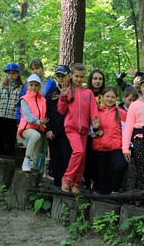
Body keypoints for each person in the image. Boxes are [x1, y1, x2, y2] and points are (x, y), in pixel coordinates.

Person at [58, 63, 99, 193]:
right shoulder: (68, 91)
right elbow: (61, 110)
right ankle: (67, 178)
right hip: (71, 127)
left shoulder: (88, 93)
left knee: (82, 159)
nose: (79, 79)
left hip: (84, 129)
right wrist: (63, 97)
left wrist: (95, 122)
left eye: (81, 77)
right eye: (76, 76)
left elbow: (94, 110)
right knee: (79, 152)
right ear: (71, 75)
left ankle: (75, 183)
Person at [19, 59, 57, 171]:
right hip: (29, 124)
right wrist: (19, 121)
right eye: (32, 69)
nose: (35, 71)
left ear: (43, 69)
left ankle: (37, 173)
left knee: (41, 150)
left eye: (37, 68)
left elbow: (50, 107)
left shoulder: (49, 86)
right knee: (32, 143)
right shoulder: (25, 94)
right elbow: (24, 110)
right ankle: (27, 164)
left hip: (42, 124)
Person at [92, 87, 128, 194]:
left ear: (116, 99)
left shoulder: (121, 113)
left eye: (112, 97)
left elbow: (126, 130)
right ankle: (104, 192)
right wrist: (95, 128)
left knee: (120, 166)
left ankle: (115, 190)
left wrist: (126, 146)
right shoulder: (96, 112)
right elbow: (91, 132)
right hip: (100, 146)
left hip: (116, 147)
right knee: (102, 172)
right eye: (107, 96)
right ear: (102, 97)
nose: (110, 99)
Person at [45, 65, 73, 187]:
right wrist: (48, 128)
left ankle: (66, 184)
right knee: (55, 159)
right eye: (59, 76)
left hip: (68, 132)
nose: (61, 79)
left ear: (69, 76)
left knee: (67, 158)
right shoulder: (51, 93)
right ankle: (57, 184)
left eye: (63, 76)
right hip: (54, 132)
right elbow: (46, 112)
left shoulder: (74, 92)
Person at [18, 74, 48, 172]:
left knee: (37, 153)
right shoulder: (24, 99)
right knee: (35, 136)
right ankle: (25, 162)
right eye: (31, 85)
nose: (34, 87)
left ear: (39, 86)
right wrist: (38, 122)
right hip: (26, 128)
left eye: (36, 85)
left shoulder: (43, 100)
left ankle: (33, 171)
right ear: (27, 85)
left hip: (40, 129)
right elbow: (28, 115)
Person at [0, 63, 23, 156]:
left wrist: (19, 120)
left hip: (12, 118)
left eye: (14, 73)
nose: (11, 75)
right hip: (0, 116)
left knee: (10, 141)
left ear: (18, 74)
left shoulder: (21, 88)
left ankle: (9, 162)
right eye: (9, 73)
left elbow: (21, 105)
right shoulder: (1, 86)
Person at [83, 68, 106, 193]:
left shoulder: (106, 95)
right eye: (95, 78)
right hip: (86, 132)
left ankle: (98, 184)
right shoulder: (85, 93)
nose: (97, 81)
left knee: (99, 160)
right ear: (91, 80)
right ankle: (87, 184)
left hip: (101, 133)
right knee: (88, 159)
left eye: (100, 79)